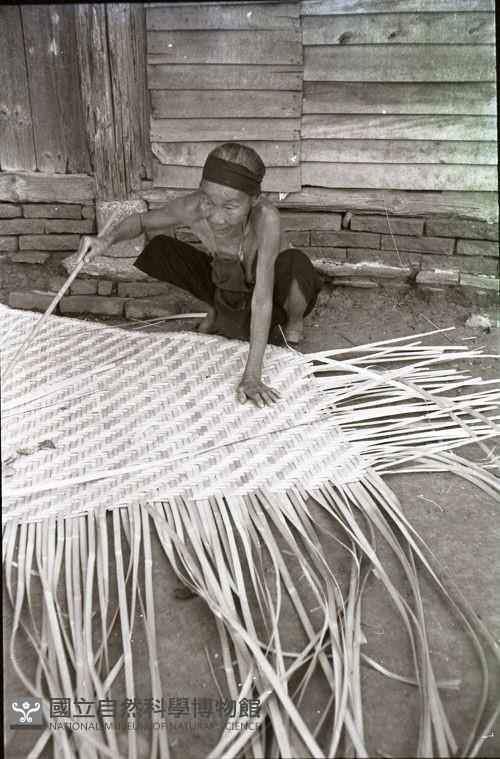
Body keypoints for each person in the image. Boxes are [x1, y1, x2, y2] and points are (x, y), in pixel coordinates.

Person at [78, 143, 322, 408]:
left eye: (230, 207)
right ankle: (216, 308)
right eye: (208, 202)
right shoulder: (193, 207)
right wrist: (106, 240)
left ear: (254, 199)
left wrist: (252, 376)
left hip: (270, 294)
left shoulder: (266, 219)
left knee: (296, 265)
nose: (217, 217)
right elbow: (140, 221)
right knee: (162, 249)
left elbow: (262, 298)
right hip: (227, 283)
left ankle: (293, 324)